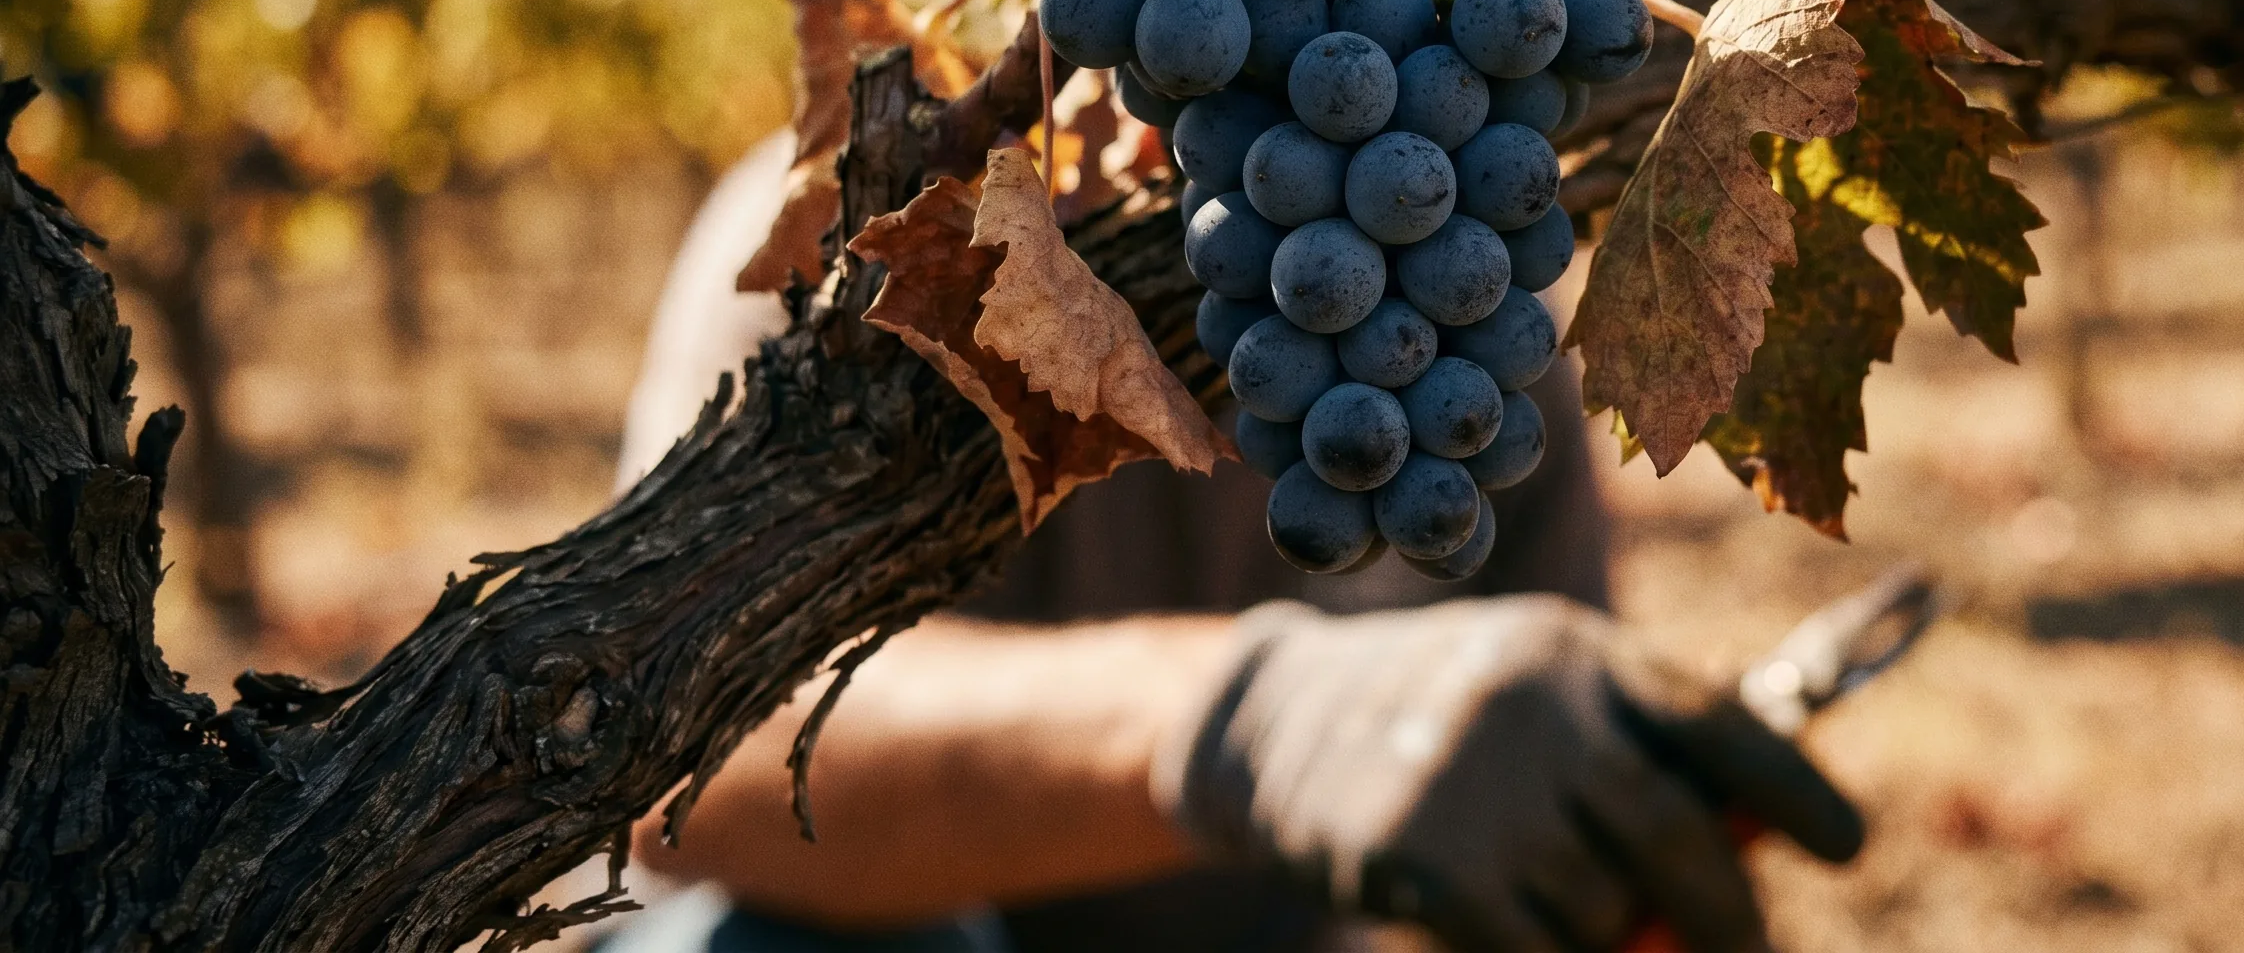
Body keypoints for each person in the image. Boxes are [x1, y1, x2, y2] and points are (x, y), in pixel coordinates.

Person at [600, 133, 1865, 953]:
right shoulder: (865, 232)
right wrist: (1247, 716)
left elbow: (1526, 809)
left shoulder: (1467, 315)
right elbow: (686, 753)